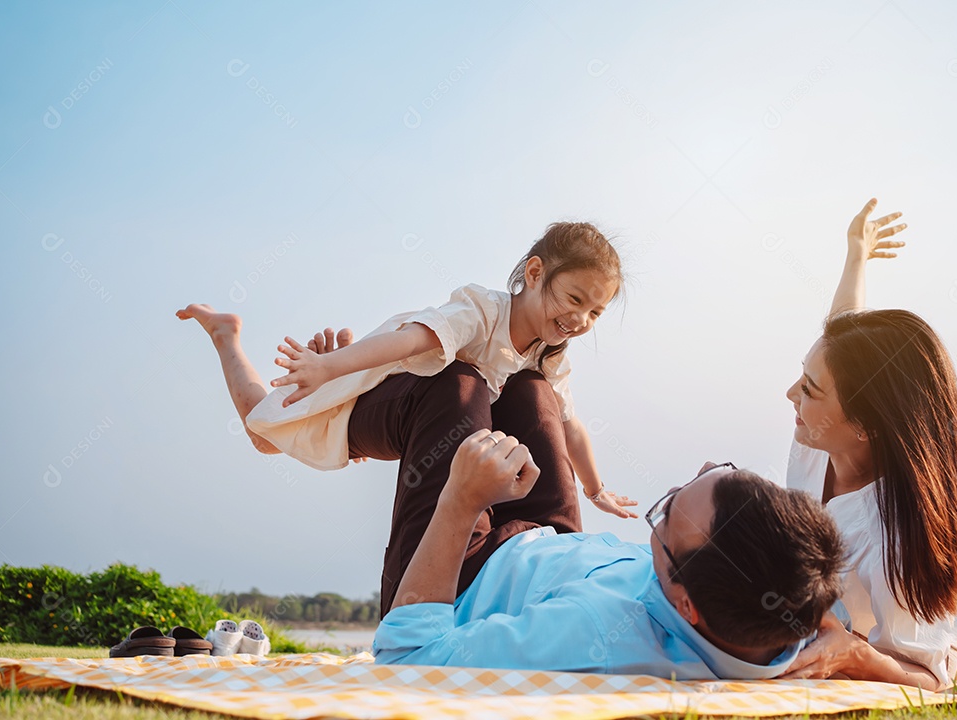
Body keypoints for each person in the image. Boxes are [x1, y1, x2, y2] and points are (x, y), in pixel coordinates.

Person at [178, 222, 637, 613]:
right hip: (384, 396)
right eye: (574, 298)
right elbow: (413, 339)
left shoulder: (548, 353)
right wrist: (329, 367)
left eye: (595, 312)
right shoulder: (483, 312)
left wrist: (595, 489)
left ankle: (530, 569)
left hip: (439, 422)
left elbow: (569, 425)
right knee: (265, 433)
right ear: (535, 273)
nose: (581, 319)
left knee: (528, 391)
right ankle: (226, 336)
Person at [371, 426, 846, 679]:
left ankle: (335, 417)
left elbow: (408, 658)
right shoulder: (788, 608)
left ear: (686, 605)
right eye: (718, 472)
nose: (680, 484)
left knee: (458, 386)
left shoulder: (592, 633)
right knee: (532, 380)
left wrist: (460, 500)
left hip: (467, 568)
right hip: (553, 542)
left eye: (665, 514)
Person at [781, 199, 957, 690]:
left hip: (896, 648)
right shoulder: (827, 430)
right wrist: (857, 255)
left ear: (866, 425)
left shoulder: (895, 539)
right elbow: (844, 332)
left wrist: (854, 655)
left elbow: (930, 675)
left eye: (809, 389)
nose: (790, 394)